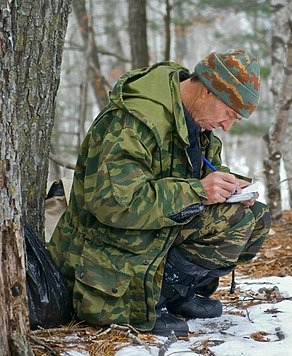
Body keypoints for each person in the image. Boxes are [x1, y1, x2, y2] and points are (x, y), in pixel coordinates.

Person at [48, 49, 271, 337]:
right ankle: (145, 302)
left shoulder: (195, 120)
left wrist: (228, 186)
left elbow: (201, 172)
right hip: (108, 247)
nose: (227, 126)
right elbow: (113, 203)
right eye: (228, 113)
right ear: (206, 91)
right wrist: (199, 191)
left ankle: (174, 294)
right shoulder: (136, 121)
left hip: (151, 229)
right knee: (231, 219)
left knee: (253, 217)